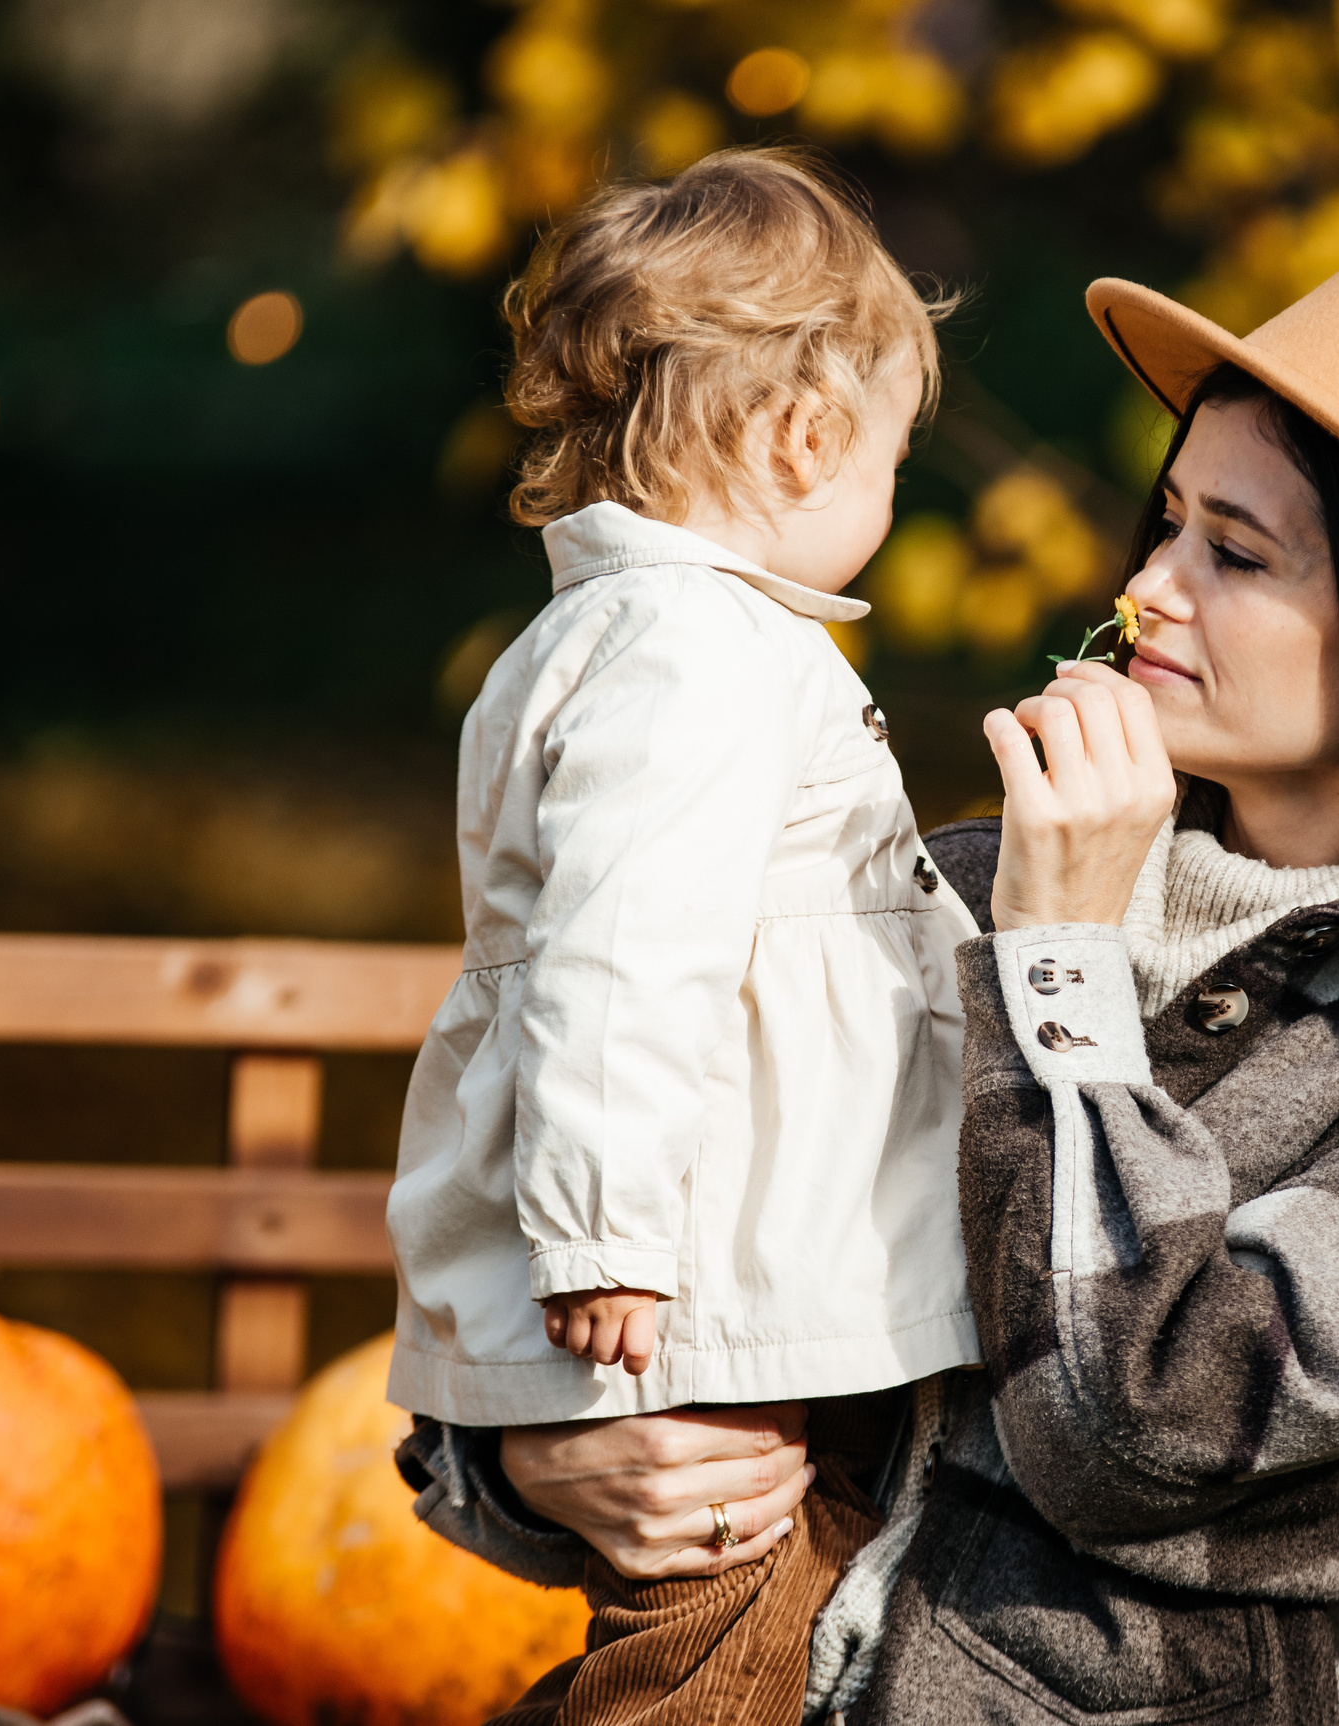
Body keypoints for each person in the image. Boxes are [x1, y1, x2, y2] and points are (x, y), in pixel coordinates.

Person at [420, 222, 1339, 1724]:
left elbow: (1139, 1429)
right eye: (1170, 522)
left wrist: (1059, 974)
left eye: (1236, 553)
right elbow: (641, 1183)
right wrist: (540, 1463)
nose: (1147, 586)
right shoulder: (957, 887)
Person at [383, 146, 982, 1724]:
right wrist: (606, 1232)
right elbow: (621, 952)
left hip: (698, 1273)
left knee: (752, 1619)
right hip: (691, 1282)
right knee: (709, 1654)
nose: (888, 497)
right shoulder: (703, 652)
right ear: (805, 437)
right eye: (891, 460)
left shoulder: (604, 634)